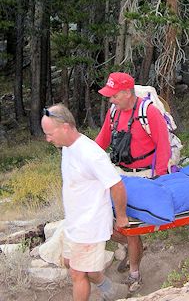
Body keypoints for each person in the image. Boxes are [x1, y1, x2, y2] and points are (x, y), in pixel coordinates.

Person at [41, 104, 129, 301]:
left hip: (90, 224)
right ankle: (112, 290)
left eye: (49, 133)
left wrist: (121, 217)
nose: (47, 139)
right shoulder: (67, 147)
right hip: (74, 222)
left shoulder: (90, 153)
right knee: (71, 263)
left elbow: (117, 185)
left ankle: (110, 291)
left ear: (65, 127)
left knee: (77, 274)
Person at [96, 72, 171, 293]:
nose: (110, 100)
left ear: (127, 92)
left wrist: (159, 178)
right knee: (106, 221)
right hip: (120, 174)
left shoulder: (148, 112)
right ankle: (133, 248)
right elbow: (102, 140)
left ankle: (135, 274)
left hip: (144, 176)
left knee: (130, 227)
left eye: (113, 95)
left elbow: (163, 145)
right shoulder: (113, 112)